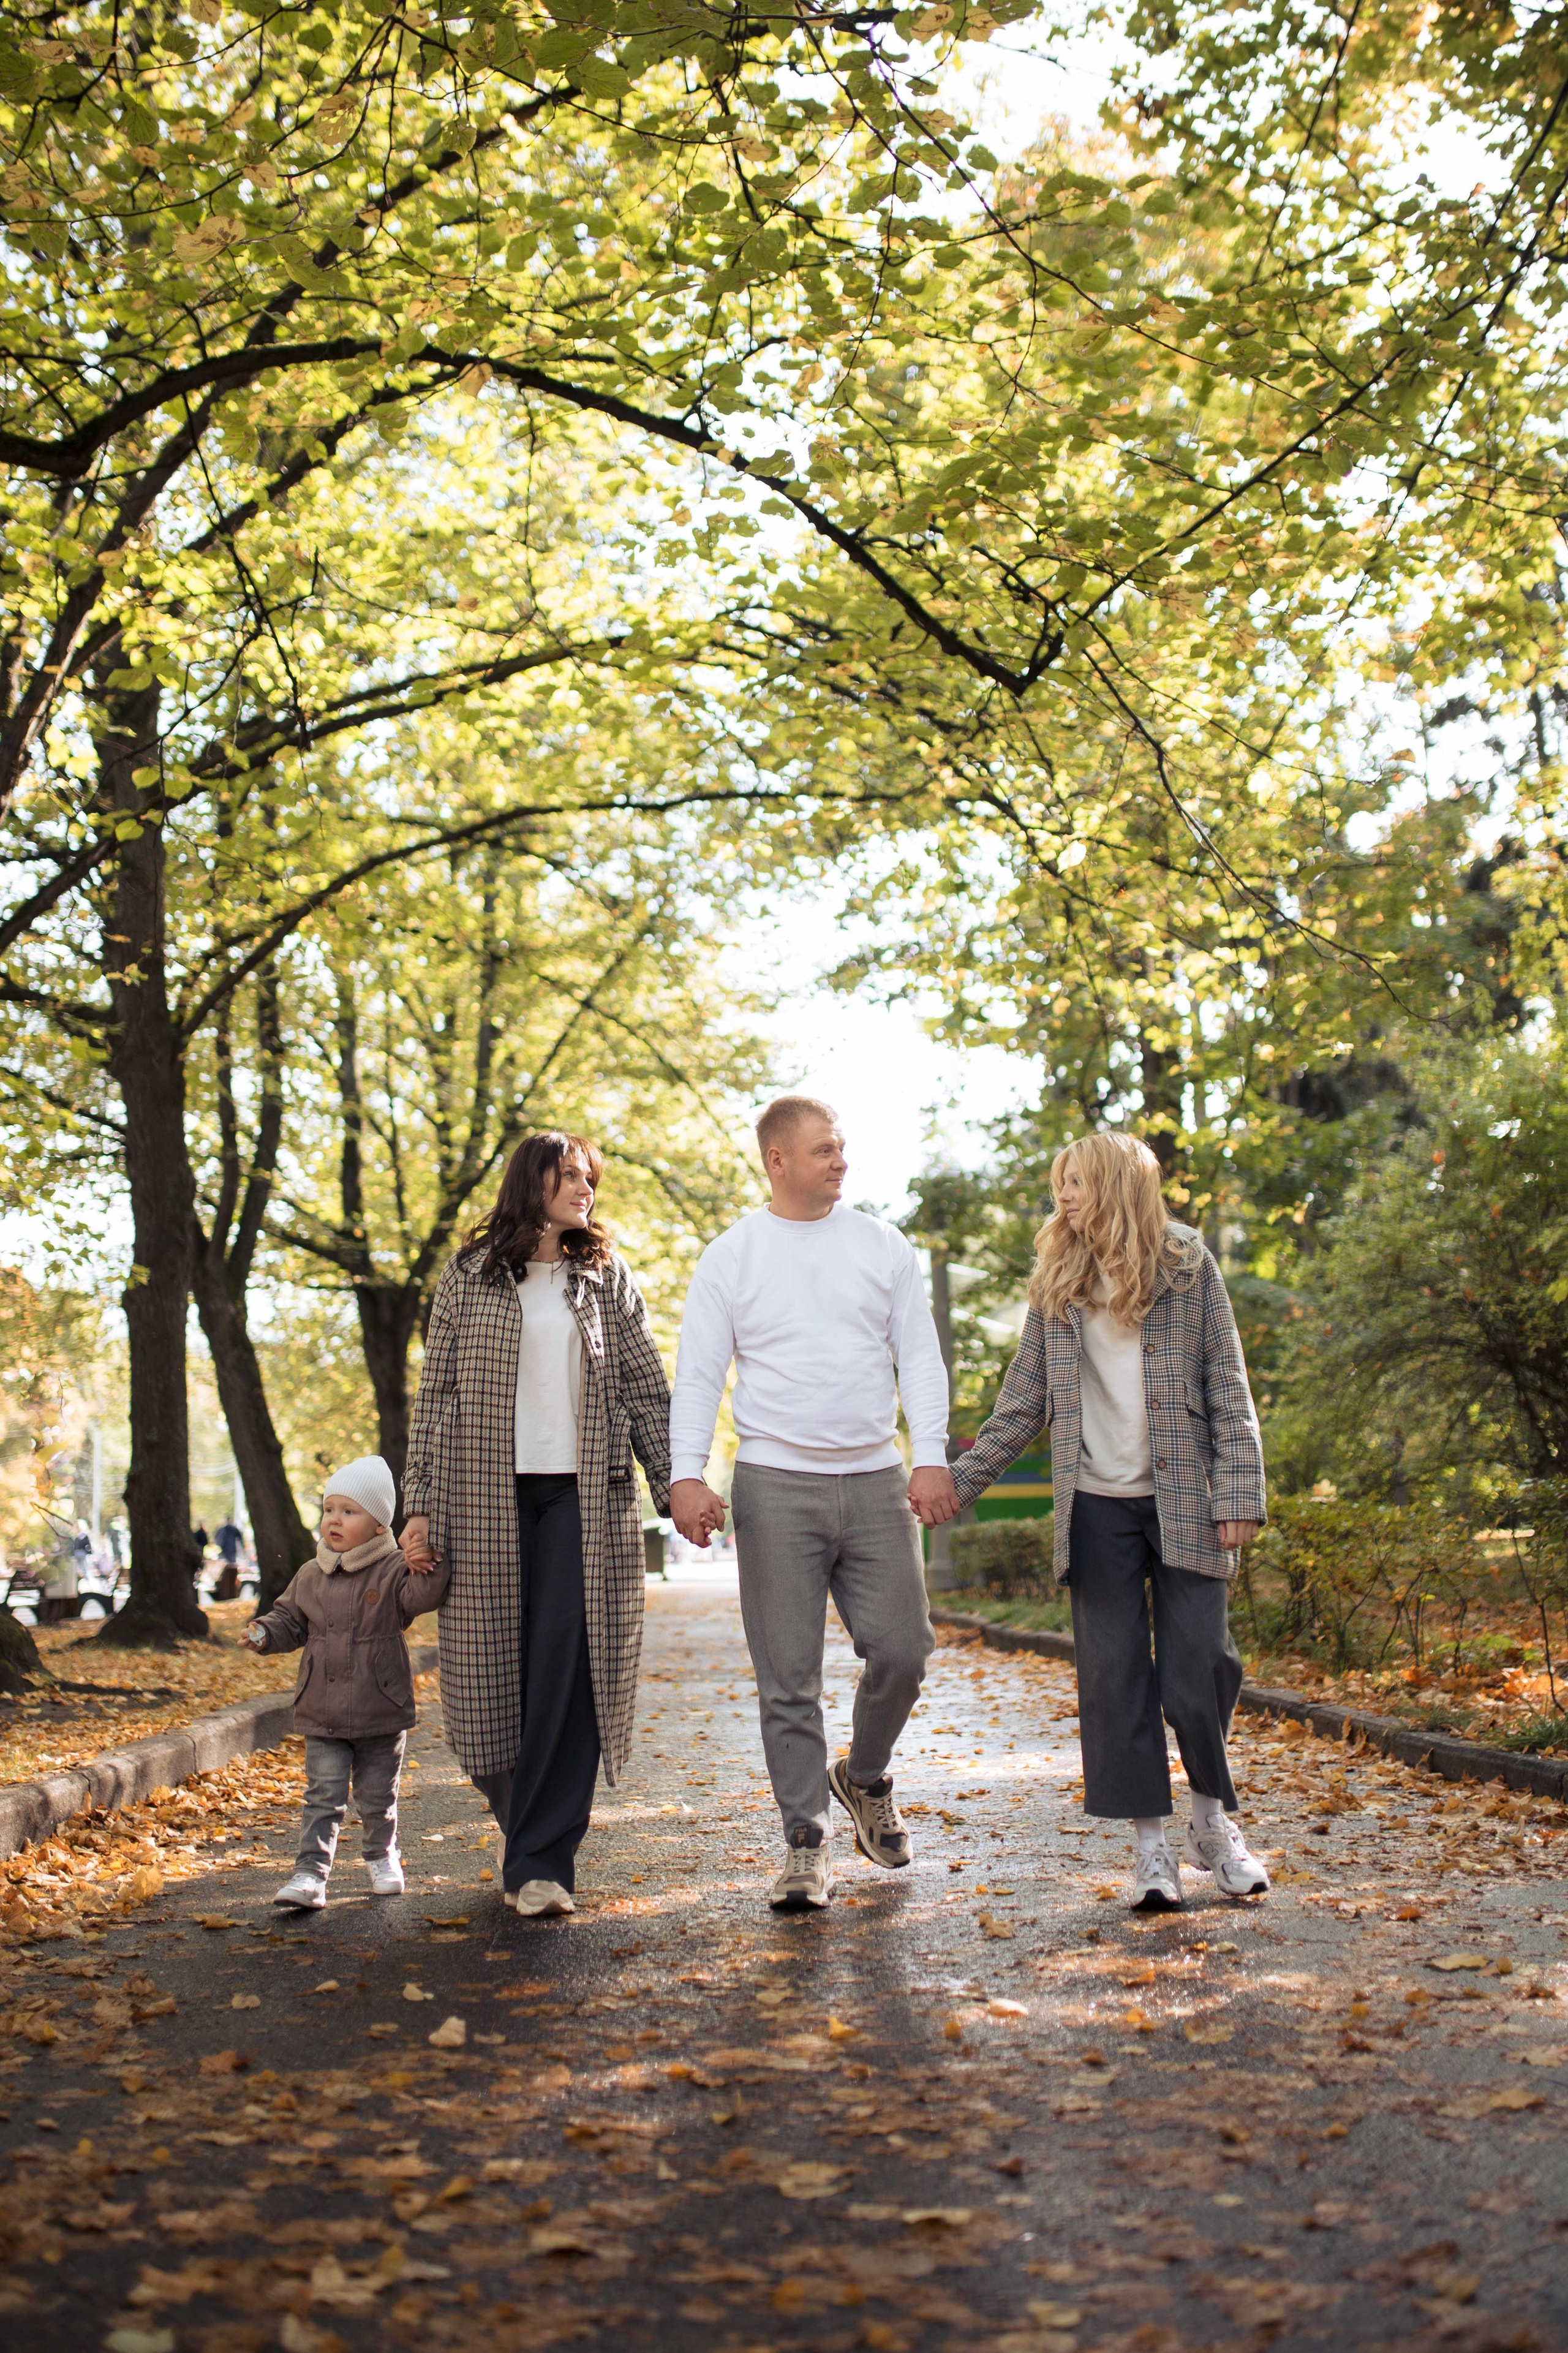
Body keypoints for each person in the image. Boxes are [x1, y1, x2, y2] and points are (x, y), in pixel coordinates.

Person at [930, 1131, 1268, 1911]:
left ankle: (1212, 1827)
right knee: (1114, 1680)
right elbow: (1023, 1404)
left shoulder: (1187, 1265)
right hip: (1096, 1509)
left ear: (1117, 1183)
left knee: (1200, 1668)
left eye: (1078, 1181)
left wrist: (1239, 1493)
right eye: (1061, 1183)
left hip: (1185, 1497)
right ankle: (1152, 1850)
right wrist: (957, 1483)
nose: (1065, 1196)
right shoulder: (1058, 1278)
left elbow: (1227, 1380)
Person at [669, 1095, 951, 1913]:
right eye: (824, 1149)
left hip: (874, 1480)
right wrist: (688, 1475)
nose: (841, 1161)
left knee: (905, 1648)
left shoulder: (881, 1245)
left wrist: (928, 1455)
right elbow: (699, 1374)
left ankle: (862, 1779)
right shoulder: (733, 1256)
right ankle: (804, 1843)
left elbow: (920, 1360)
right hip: (774, 1482)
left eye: (843, 1147)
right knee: (786, 1677)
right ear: (777, 1160)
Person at [401, 1131, 671, 1919]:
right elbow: (438, 1396)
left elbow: (646, 1388)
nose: (584, 1187)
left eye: (591, 1177)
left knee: (568, 1669)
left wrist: (675, 1484)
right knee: (485, 1679)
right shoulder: (468, 1275)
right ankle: (522, 1825)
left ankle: (543, 1862)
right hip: (484, 1496)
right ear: (533, 1182)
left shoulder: (605, 1277)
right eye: (569, 1175)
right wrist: (420, 1501)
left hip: (583, 1500)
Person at [246, 1456, 450, 1911]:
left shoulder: (394, 1569)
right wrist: (265, 1632)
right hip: (324, 1709)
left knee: (378, 1796)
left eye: (350, 1511)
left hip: (380, 1706)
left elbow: (424, 1595)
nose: (335, 1519)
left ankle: (382, 1855)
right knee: (323, 1794)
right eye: (329, 1509)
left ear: (380, 1526)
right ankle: (310, 1873)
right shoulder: (310, 1575)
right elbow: (289, 1620)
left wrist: (425, 1562)